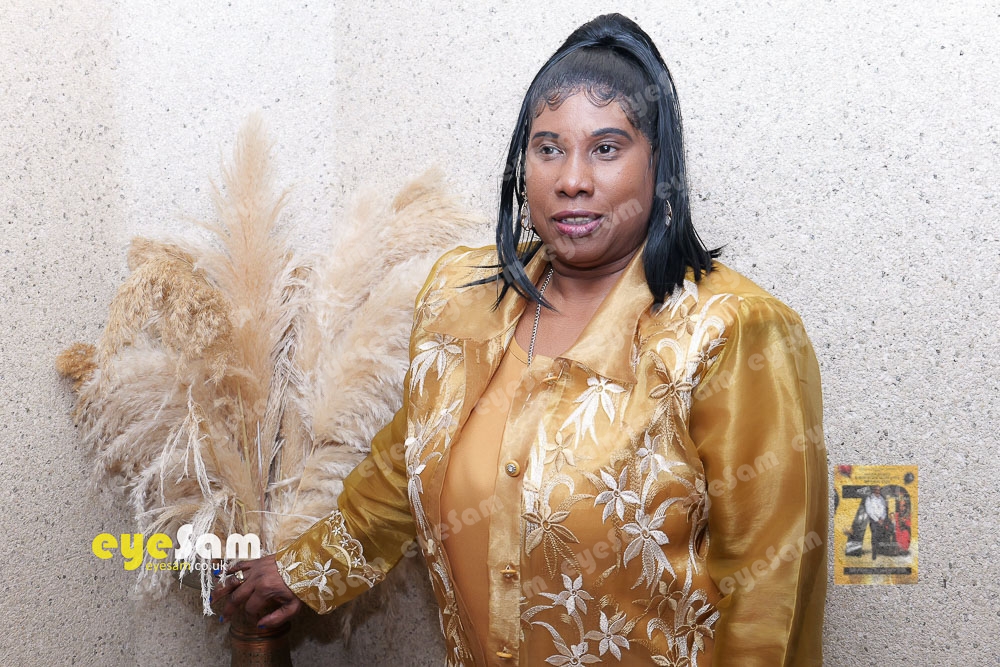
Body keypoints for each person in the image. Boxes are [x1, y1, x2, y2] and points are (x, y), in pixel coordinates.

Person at [215, 13, 827, 666]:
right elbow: (407, 465)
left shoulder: (730, 331)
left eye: (607, 149)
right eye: (548, 148)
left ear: (660, 166)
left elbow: (770, 592)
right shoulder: (460, 298)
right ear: (522, 165)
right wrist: (305, 571)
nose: (572, 179)